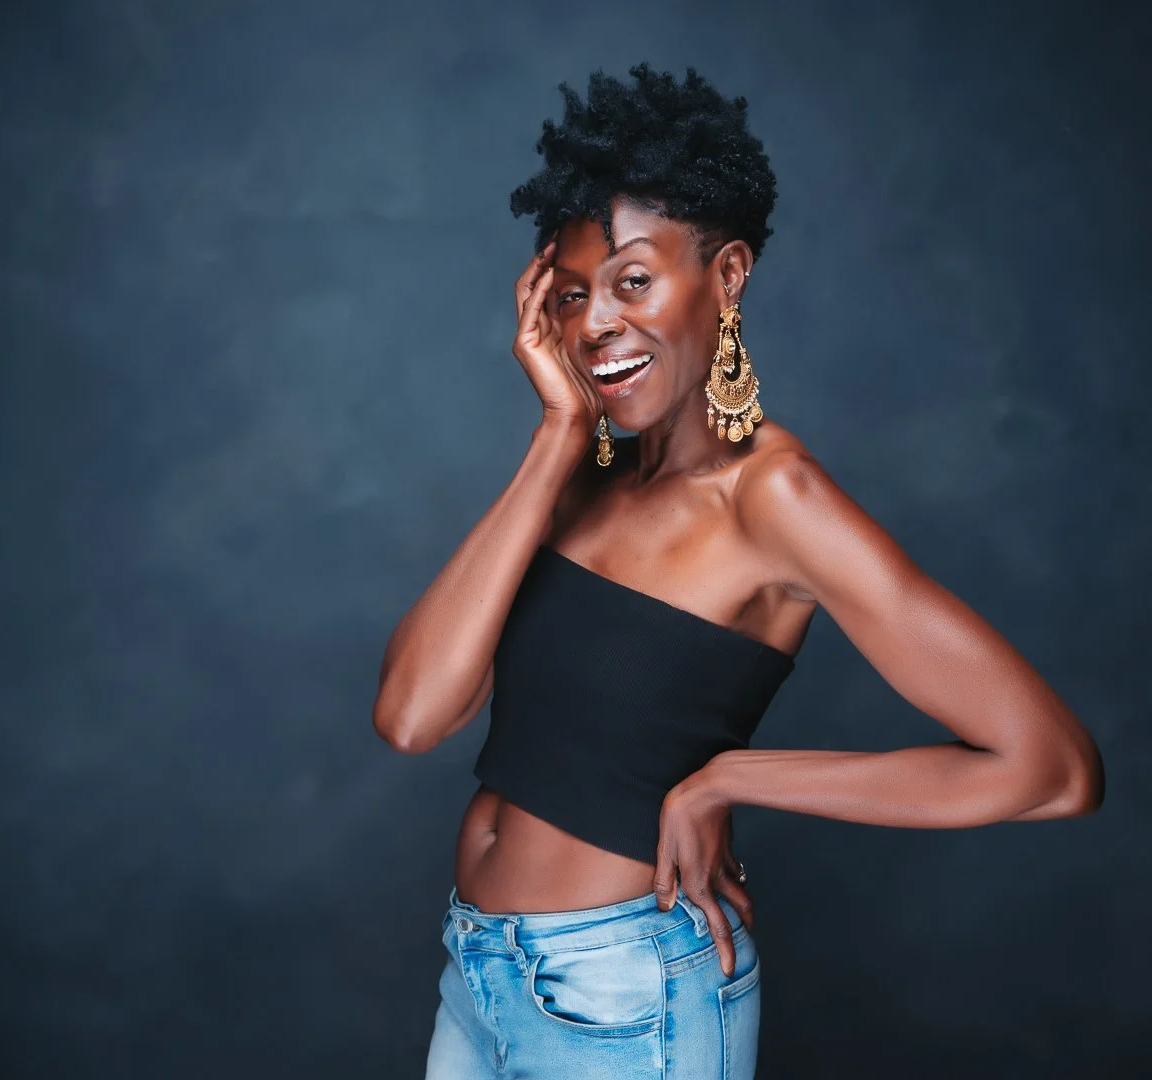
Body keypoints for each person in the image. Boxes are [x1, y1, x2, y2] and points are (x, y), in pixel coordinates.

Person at [372, 62, 1104, 1080]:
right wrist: (553, 434)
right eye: (574, 294)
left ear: (725, 277)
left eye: (633, 281)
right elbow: (412, 716)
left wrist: (728, 779)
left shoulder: (775, 498)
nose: (594, 325)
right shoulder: (580, 472)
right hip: (479, 976)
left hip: (631, 999)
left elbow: (1050, 769)